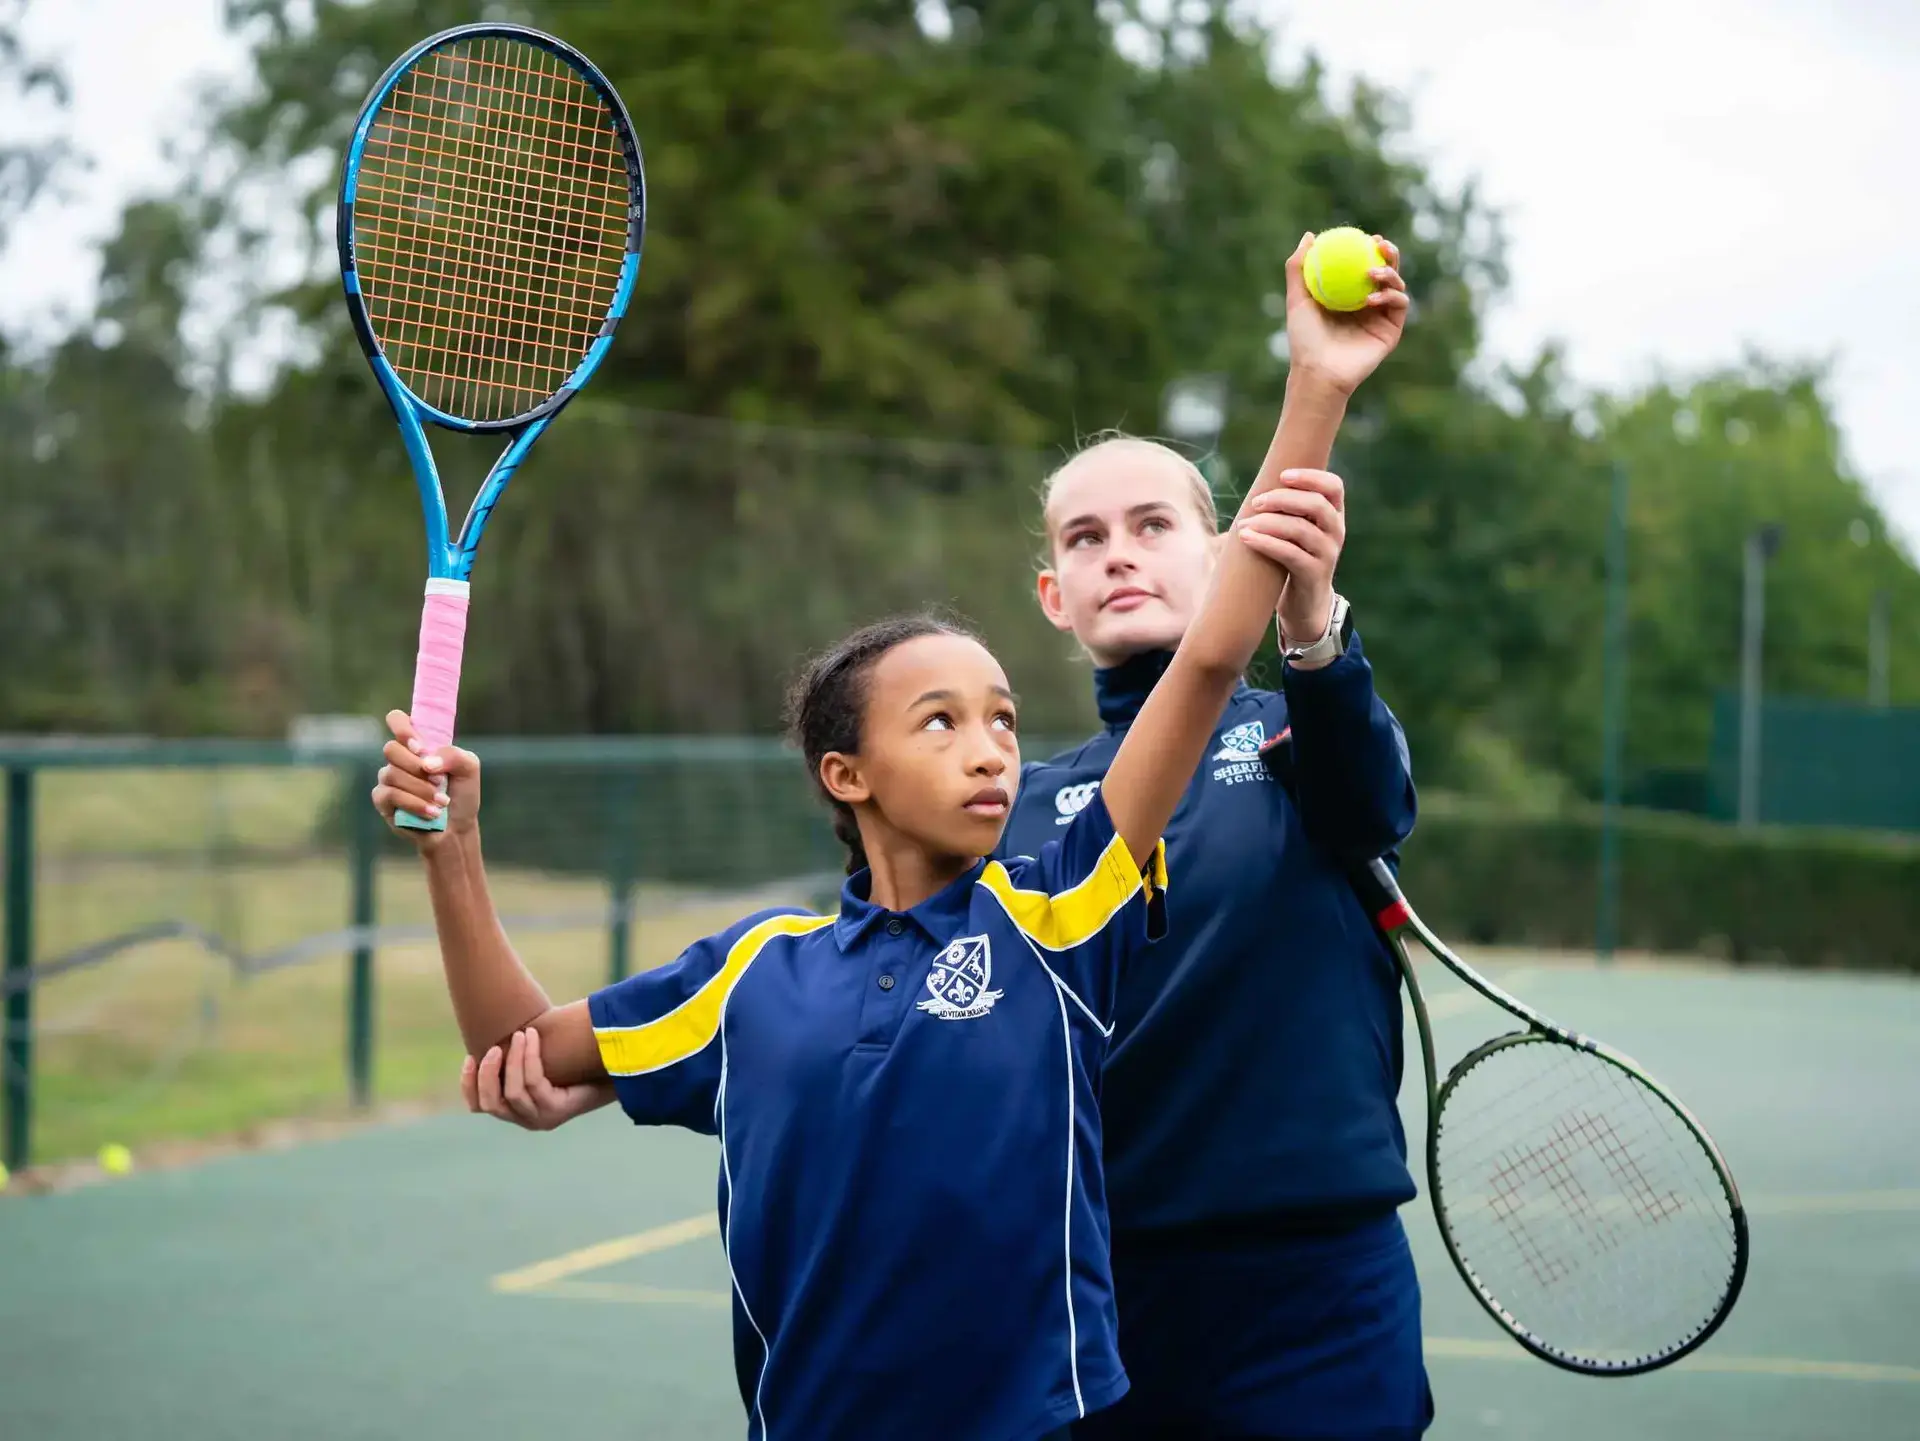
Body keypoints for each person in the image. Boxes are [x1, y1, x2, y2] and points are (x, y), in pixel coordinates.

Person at [376, 230, 1410, 1441]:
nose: (988, 748)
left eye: (1002, 720)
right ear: (845, 774)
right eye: (941, 721)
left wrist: (1316, 389)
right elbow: (523, 1056)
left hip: (1230, 1330)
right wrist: (451, 847)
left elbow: (1219, 652)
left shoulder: (1054, 918)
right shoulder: (762, 971)